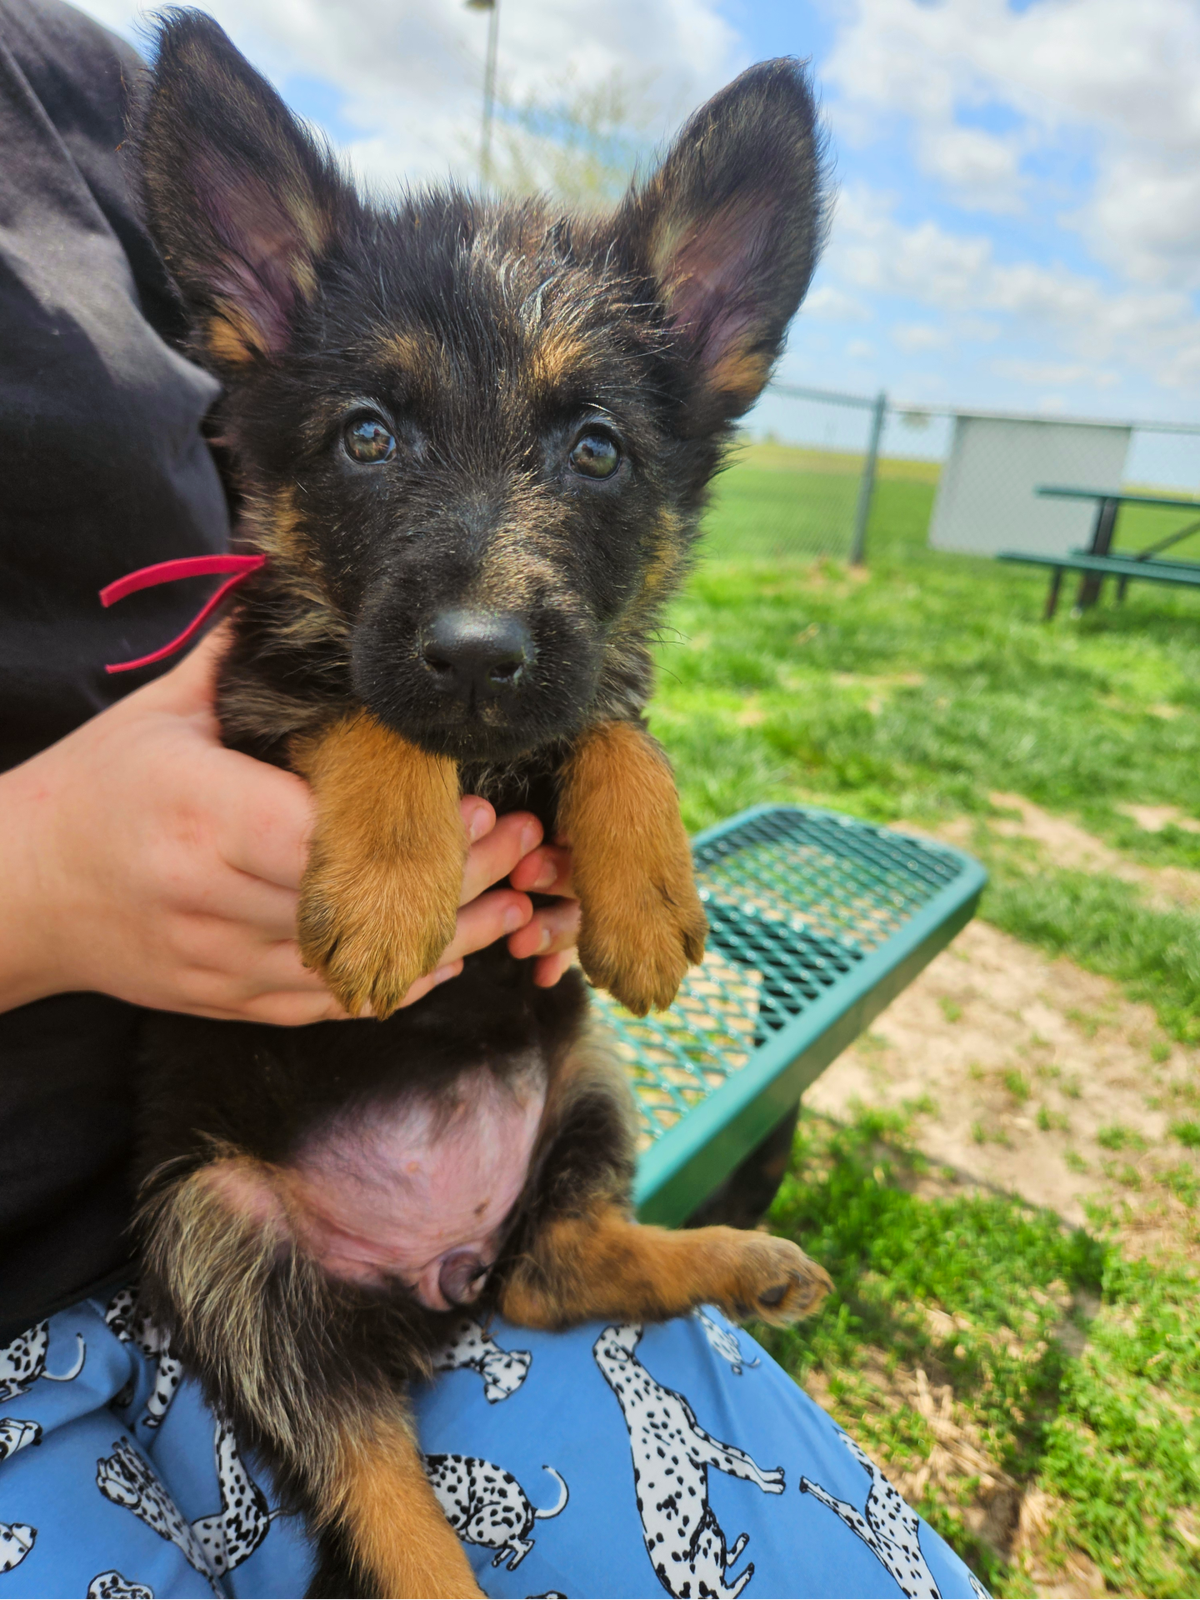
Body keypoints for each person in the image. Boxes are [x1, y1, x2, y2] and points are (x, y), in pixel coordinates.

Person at [0, 3, 991, 1595]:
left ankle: (578, 1253)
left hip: (500, 1131)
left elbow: (592, 781)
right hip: (228, 1200)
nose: (481, 593)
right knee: (217, 1227)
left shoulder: (61, 91)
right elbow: (278, 690)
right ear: (261, 357)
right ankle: (401, 1547)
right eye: (370, 433)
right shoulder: (316, 638)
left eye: (592, 447)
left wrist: (615, 767)